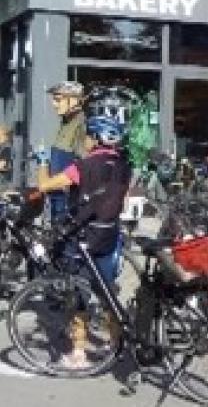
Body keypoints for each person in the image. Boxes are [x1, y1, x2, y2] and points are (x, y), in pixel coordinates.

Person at [35, 98, 132, 369]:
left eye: (88, 135)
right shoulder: (124, 167)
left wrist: (42, 162)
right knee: (107, 293)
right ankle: (116, 345)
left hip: (84, 238)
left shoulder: (82, 166)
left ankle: (78, 354)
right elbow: (121, 202)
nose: (85, 140)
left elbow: (45, 186)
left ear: (97, 138)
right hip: (110, 235)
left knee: (78, 296)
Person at [45, 81, 89, 224]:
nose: (54, 104)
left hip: (68, 196)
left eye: (58, 100)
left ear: (74, 100)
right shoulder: (66, 122)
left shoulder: (82, 124)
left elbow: (84, 162)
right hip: (57, 192)